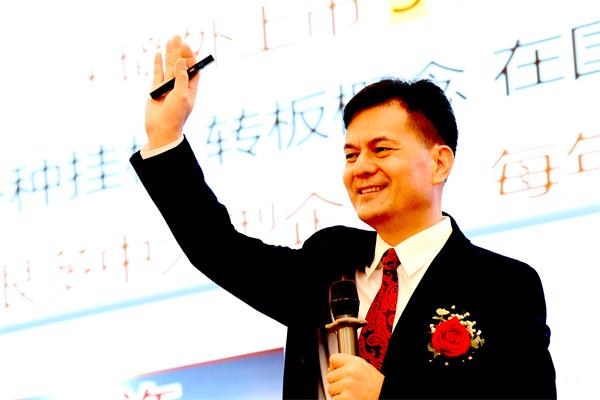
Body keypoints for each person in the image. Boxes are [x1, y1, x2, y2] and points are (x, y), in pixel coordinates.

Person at [130, 35, 556, 400]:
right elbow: (220, 250)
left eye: (381, 149)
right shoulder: (328, 260)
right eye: (351, 155)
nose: (361, 167)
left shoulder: (503, 287)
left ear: (439, 163)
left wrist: (388, 395)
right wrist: (165, 137)